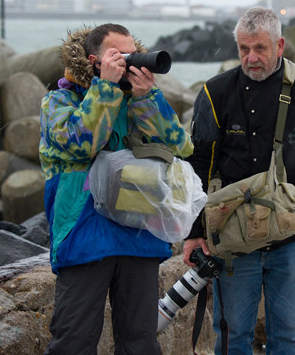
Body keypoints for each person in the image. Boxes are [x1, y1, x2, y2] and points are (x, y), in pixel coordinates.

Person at [182, 7, 295, 354]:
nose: (251, 58)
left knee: (289, 339)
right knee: (232, 339)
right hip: (231, 241)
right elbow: (198, 165)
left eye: (260, 48)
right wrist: (194, 232)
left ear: (280, 45)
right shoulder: (216, 93)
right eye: (244, 49)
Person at [39, 23, 193, 355]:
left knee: (140, 342)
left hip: (138, 233)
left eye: (131, 53)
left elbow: (180, 147)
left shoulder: (137, 100)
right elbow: (81, 144)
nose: (128, 62)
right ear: (94, 59)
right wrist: (105, 89)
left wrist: (148, 98)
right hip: (83, 234)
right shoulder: (58, 102)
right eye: (118, 55)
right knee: (73, 342)